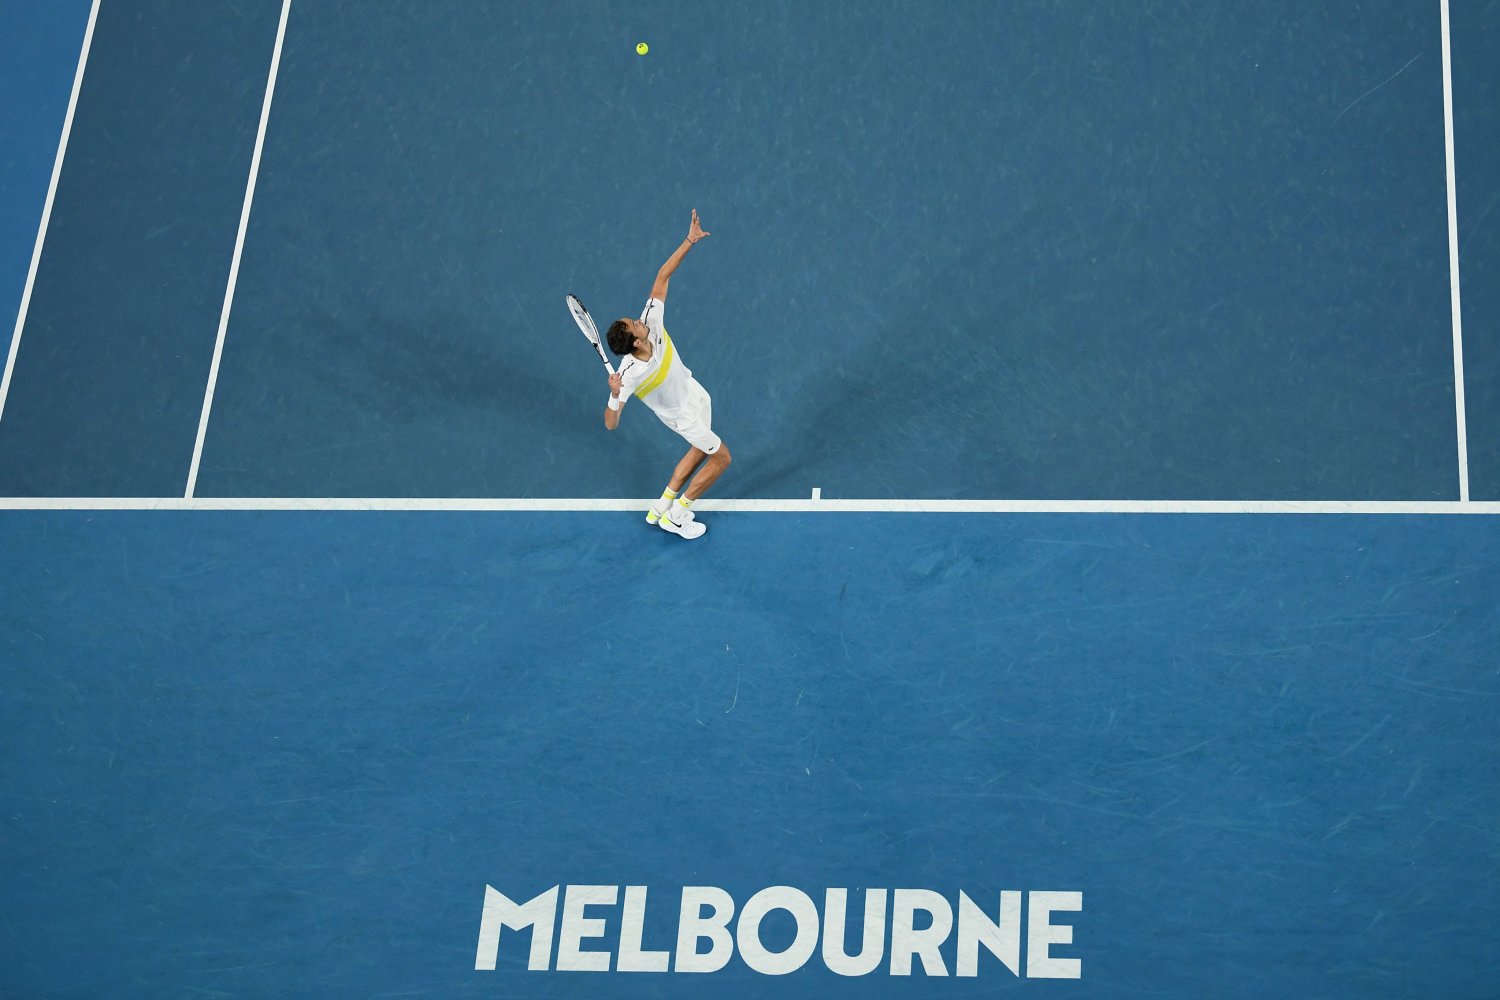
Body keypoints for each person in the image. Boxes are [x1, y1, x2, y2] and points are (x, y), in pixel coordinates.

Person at [603, 209, 730, 540]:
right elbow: (610, 424)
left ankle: (661, 506)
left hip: (694, 392)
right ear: (634, 341)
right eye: (635, 324)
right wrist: (615, 395)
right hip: (681, 416)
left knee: (700, 449)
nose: (639, 319)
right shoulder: (628, 374)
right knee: (721, 459)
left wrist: (690, 240)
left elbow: (662, 275)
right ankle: (678, 514)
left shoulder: (651, 322)